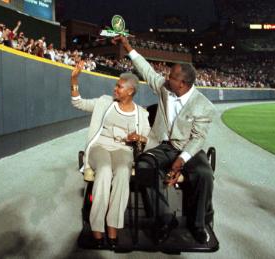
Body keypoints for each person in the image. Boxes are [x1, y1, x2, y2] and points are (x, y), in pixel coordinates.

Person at [113, 36, 216, 244]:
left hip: (188, 148)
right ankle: (164, 219)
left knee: (205, 174)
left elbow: (197, 139)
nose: (166, 78)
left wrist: (181, 161)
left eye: (172, 77)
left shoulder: (204, 106)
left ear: (183, 83)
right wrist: (128, 48)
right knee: (144, 166)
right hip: (161, 145)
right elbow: (147, 71)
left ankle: (198, 224)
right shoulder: (164, 88)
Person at [70, 61, 150, 248]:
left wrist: (138, 137)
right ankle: (97, 227)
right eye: (116, 85)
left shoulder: (141, 113)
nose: (115, 89)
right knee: (104, 171)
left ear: (130, 91)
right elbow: (78, 103)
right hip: (100, 146)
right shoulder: (104, 102)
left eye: (119, 87)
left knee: (123, 172)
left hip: (123, 149)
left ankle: (113, 225)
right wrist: (74, 80)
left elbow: (148, 137)